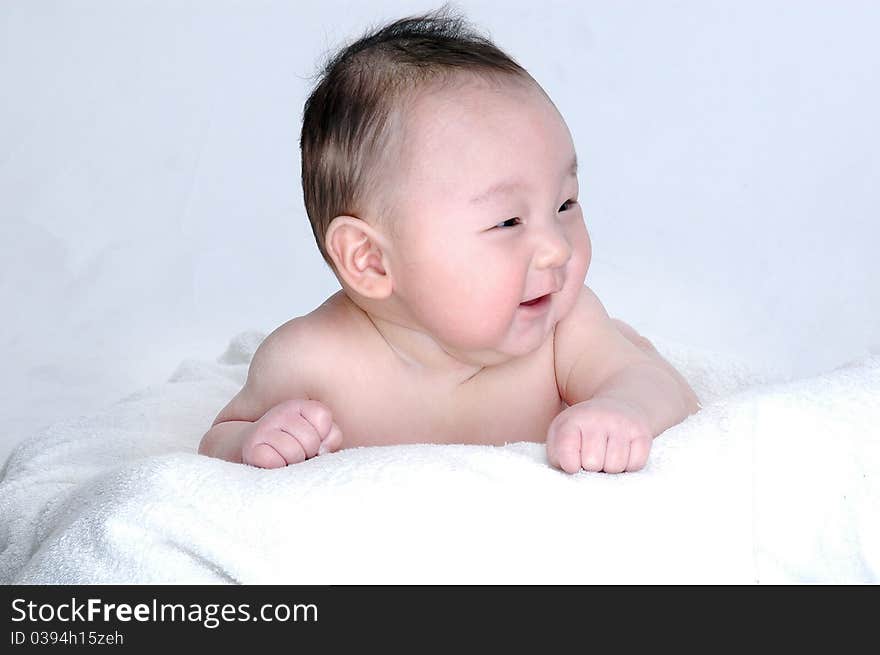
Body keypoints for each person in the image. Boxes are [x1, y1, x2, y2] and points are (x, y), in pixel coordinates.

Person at [198, 7, 700, 474]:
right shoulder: (309, 361)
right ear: (370, 260)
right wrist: (255, 443)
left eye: (565, 204)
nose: (557, 249)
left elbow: (659, 385)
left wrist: (620, 409)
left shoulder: (563, 332)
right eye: (507, 222)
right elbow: (222, 437)